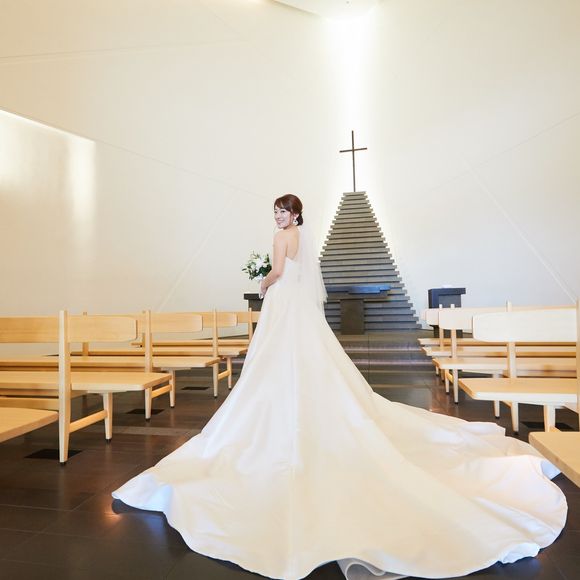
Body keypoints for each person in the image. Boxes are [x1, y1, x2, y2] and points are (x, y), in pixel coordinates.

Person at [112, 194, 566, 580]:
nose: (278, 217)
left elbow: (276, 272)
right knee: (304, 358)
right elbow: (298, 272)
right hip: (298, 307)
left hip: (282, 303)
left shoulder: (280, 239)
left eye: (282, 211)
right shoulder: (301, 237)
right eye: (275, 212)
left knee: (275, 359)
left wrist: (262, 281)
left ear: (294, 214)